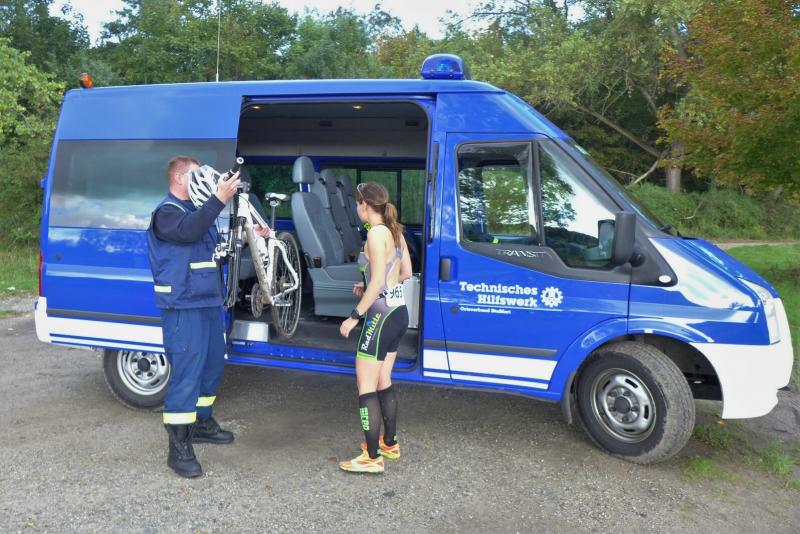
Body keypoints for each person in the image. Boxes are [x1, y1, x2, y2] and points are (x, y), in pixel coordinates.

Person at [146, 155, 269, 478]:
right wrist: (219, 199)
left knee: (212, 366)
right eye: (197, 174)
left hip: (208, 301)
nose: (205, 179)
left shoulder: (199, 212)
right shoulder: (167, 213)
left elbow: (215, 248)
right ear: (180, 178)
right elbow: (188, 233)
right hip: (183, 305)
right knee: (187, 374)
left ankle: (201, 423)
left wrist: (252, 235)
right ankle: (179, 448)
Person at [338, 182, 413, 474]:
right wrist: (369, 283)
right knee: (383, 379)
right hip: (398, 313)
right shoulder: (395, 231)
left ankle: (372, 457)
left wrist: (354, 315)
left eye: (357, 203)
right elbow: (405, 273)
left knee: (365, 384)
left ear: (365, 205)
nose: (357, 208)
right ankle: (389, 444)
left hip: (379, 316)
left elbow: (379, 281)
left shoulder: (374, 234)